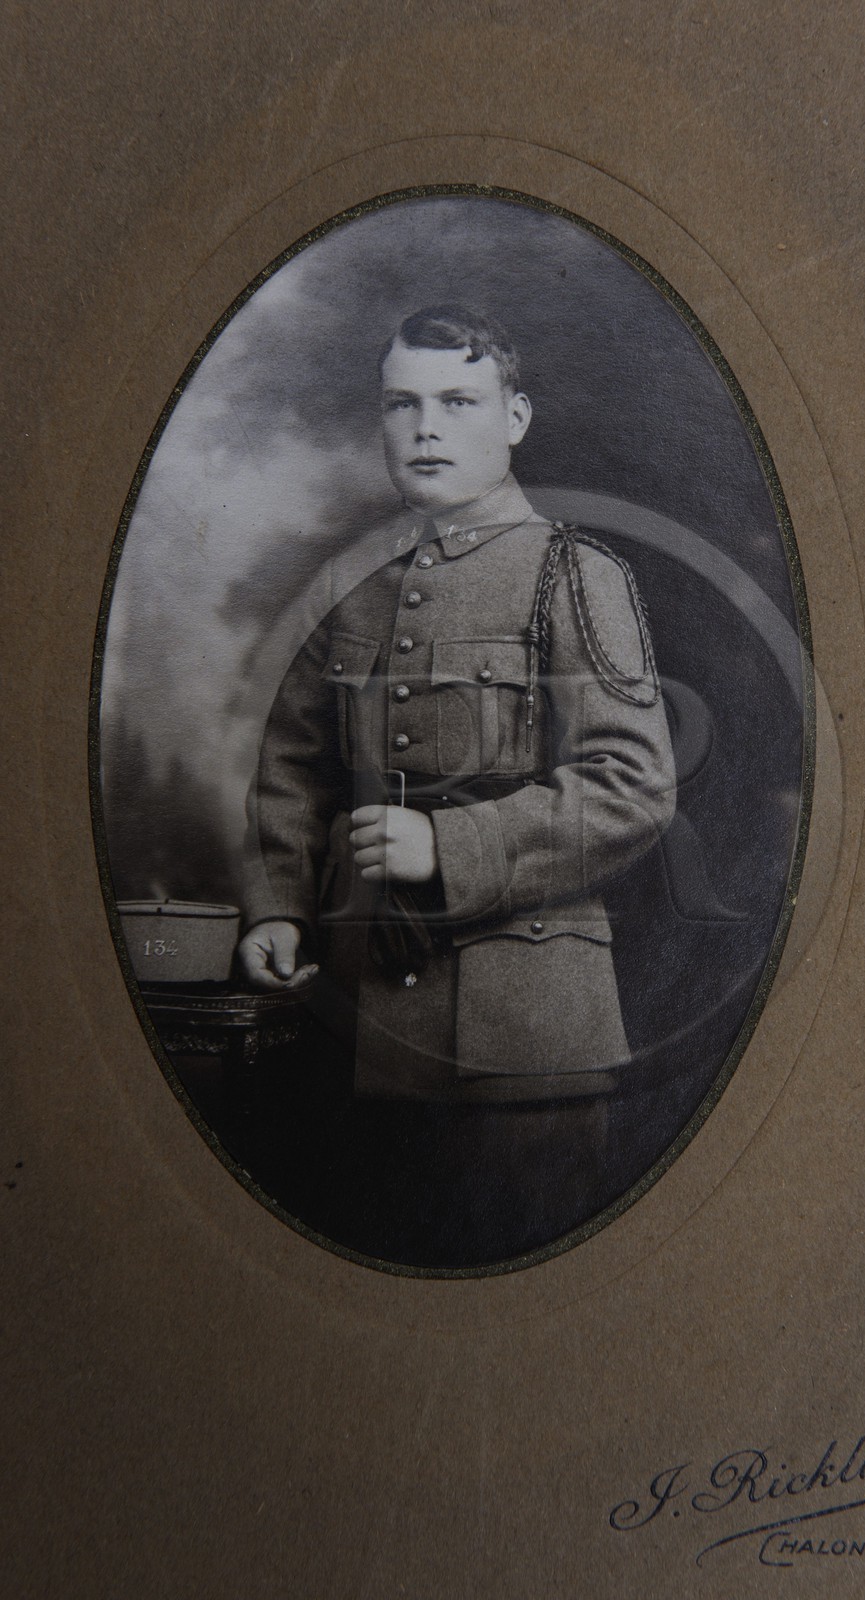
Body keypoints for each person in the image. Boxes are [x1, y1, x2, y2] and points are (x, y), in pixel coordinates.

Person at [237, 306, 676, 1259]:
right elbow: (293, 769)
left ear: (515, 417)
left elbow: (634, 784)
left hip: (524, 1048)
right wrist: (277, 907)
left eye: (458, 402)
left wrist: (452, 845)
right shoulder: (349, 583)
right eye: (403, 403)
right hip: (351, 1039)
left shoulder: (575, 571)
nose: (426, 427)